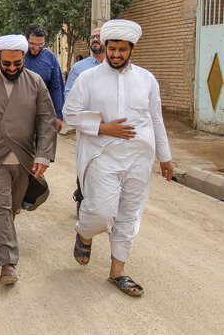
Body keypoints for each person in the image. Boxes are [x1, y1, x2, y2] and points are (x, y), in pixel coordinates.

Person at [63, 19, 174, 297]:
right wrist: (103, 128)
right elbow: (70, 113)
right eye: (112, 49)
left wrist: (165, 157)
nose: (115, 55)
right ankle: (85, 233)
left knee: (128, 214)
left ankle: (118, 272)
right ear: (105, 47)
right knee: (100, 211)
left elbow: (156, 119)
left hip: (139, 157)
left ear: (132, 49)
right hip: (102, 156)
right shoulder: (88, 78)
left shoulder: (146, 79)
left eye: (122, 50)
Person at [0, 34, 57, 285]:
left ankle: (0, 230)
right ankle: (7, 263)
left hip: (23, 159)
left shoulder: (35, 82)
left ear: (23, 57)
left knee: (11, 208)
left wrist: (44, 154)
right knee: (1, 205)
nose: (13, 68)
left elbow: (46, 120)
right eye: (7, 63)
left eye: (18, 63)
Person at [64, 28, 104, 215]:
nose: (95, 40)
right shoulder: (80, 68)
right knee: (85, 166)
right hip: (87, 129)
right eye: (92, 37)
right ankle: (83, 203)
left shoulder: (120, 68)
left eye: (99, 37)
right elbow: (68, 94)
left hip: (112, 131)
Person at [24, 23, 65, 133]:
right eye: (32, 44)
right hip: (20, 113)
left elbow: (56, 87)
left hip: (43, 113)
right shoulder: (19, 55)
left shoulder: (50, 57)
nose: (36, 48)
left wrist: (58, 115)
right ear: (26, 40)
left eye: (40, 44)